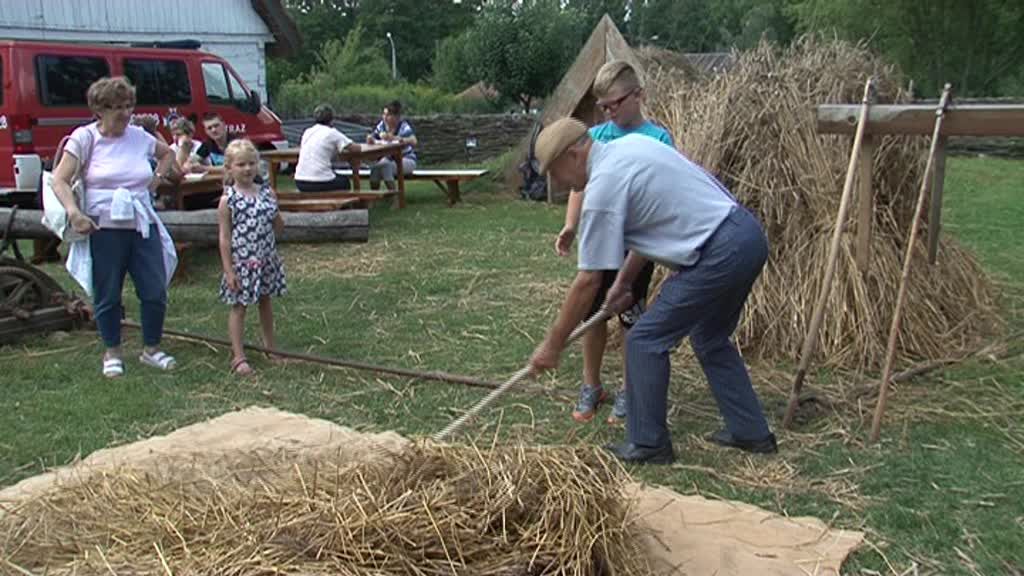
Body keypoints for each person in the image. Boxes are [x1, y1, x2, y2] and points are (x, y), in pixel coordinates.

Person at [528, 117, 777, 465]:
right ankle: (752, 432)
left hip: (719, 251)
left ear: (573, 155)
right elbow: (652, 225)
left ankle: (648, 443)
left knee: (645, 339)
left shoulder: (602, 187)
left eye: (555, 173)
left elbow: (587, 282)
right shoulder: (630, 148)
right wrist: (625, 283)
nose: (557, 183)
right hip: (746, 235)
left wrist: (553, 344)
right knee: (710, 338)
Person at [555, 59, 675, 425]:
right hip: (597, 242)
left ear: (639, 96)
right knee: (592, 317)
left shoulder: (658, 139)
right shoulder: (599, 137)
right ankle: (592, 386)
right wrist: (571, 225)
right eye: (602, 107)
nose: (608, 113)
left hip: (634, 249)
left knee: (629, 318)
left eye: (615, 104)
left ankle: (628, 389)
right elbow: (581, 185)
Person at [51, 76, 179, 378]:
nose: (124, 113)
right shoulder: (84, 138)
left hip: (140, 224)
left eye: (128, 106)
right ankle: (112, 351)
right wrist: (74, 212)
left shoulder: (139, 136)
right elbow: (59, 179)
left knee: (154, 288)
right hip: (103, 227)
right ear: (99, 109)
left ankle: (151, 349)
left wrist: (157, 178)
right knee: (107, 291)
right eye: (116, 108)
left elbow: (168, 154)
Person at [217, 139, 286, 376]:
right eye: (240, 165)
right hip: (243, 263)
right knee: (240, 307)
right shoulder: (229, 200)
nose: (247, 169)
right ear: (230, 168)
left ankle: (271, 347)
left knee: (265, 302)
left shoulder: (266, 193)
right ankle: (238, 355)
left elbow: (278, 226)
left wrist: (276, 212)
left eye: (251, 164)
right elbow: (225, 238)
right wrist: (229, 270)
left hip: (265, 259)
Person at [294, 104, 360, 192]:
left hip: (300, 180)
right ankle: (343, 205)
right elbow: (355, 148)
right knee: (344, 182)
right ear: (331, 119)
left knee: (335, 177)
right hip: (319, 181)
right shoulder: (332, 133)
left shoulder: (307, 132)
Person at [366, 100, 416, 191]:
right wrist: (371, 139)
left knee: (385, 166)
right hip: (388, 159)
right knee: (375, 168)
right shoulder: (382, 126)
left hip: (406, 160)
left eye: (388, 115)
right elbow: (374, 136)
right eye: (384, 114)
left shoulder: (403, 126)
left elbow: (413, 141)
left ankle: (395, 197)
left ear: (396, 117)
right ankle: (374, 196)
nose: (385, 117)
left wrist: (394, 138)